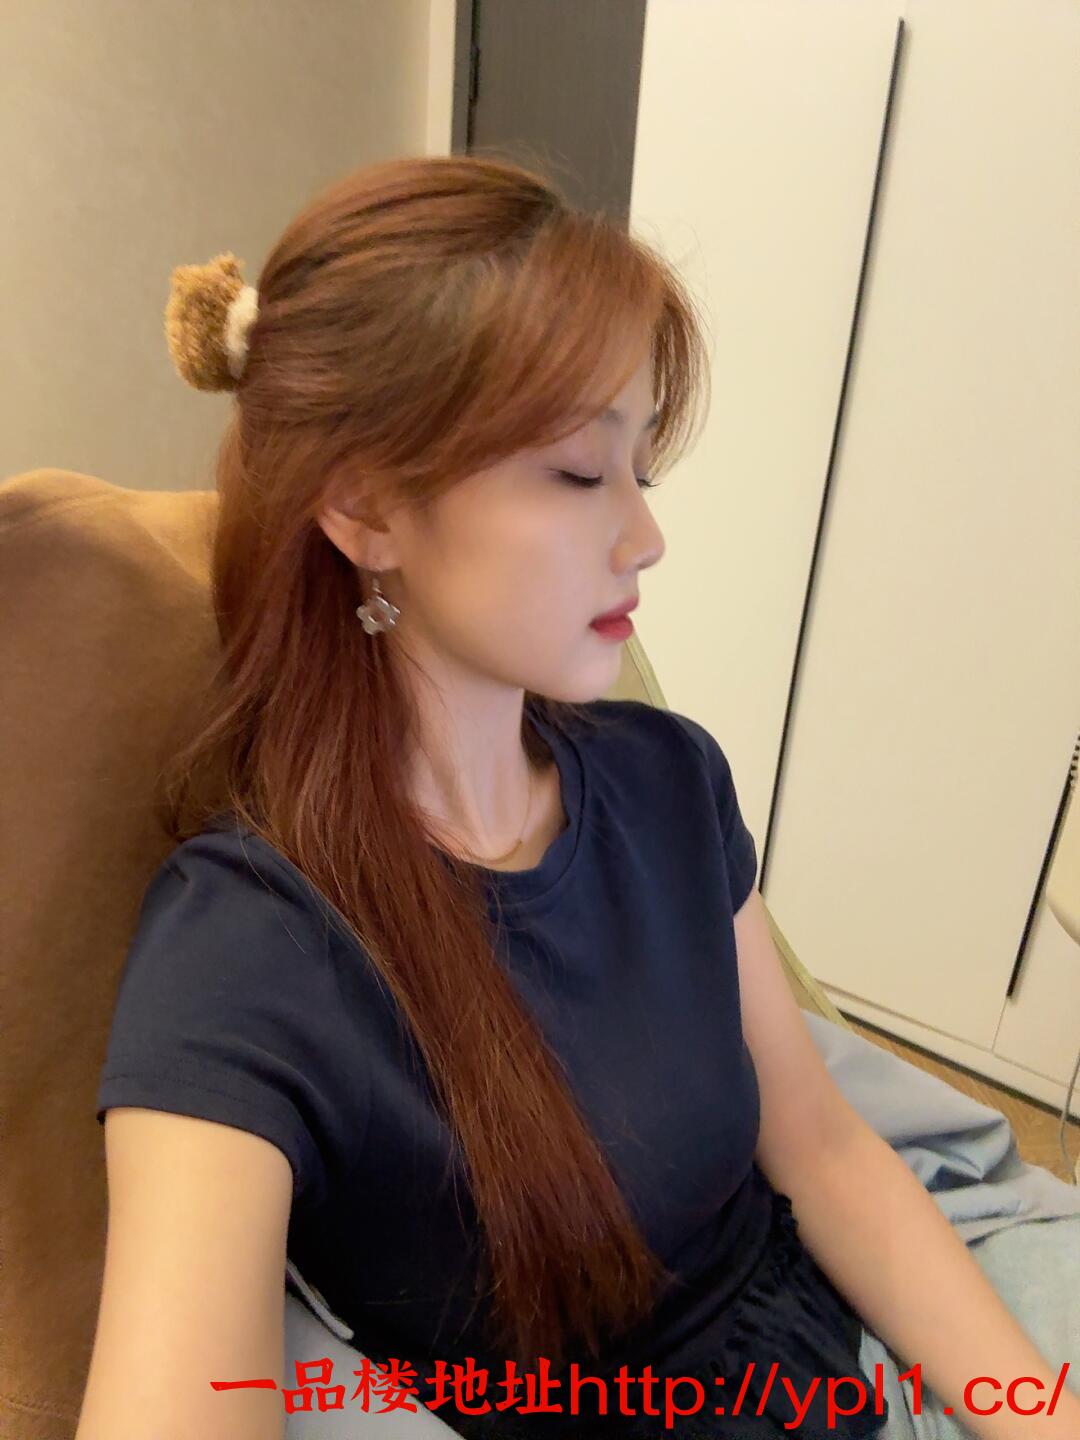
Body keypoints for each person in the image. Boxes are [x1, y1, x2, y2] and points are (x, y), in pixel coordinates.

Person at [80, 154, 1079, 1440]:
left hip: (842, 1359)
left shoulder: (669, 778)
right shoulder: (246, 949)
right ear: (364, 506)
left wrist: (1030, 1413)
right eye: (575, 472)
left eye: (640, 471)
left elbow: (822, 1149)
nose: (645, 538)